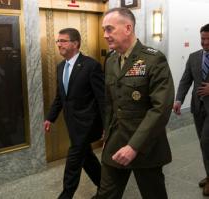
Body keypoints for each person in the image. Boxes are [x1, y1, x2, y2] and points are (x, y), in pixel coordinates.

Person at [96, 8, 174, 199]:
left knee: (153, 194)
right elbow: (110, 103)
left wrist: (134, 146)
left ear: (128, 28)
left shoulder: (153, 59)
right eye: (104, 30)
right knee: (106, 194)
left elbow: (161, 108)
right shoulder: (112, 60)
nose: (105, 35)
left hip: (145, 145)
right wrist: (107, 132)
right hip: (115, 141)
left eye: (109, 29)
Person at [44, 28, 104, 199]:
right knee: (87, 158)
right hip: (72, 124)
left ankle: (66, 195)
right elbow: (60, 97)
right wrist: (50, 117)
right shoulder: (60, 67)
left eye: (63, 41)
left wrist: (107, 127)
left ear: (75, 43)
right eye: (58, 41)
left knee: (74, 160)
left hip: (88, 124)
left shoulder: (91, 66)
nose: (59, 44)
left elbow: (102, 100)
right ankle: (105, 188)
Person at [173, 23, 209, 196]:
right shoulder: (194, 57)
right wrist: (179, 99)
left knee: (206, 142)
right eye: (203, 39)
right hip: (198, 107)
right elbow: (185, 80)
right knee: (204, 145)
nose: (205, 42)